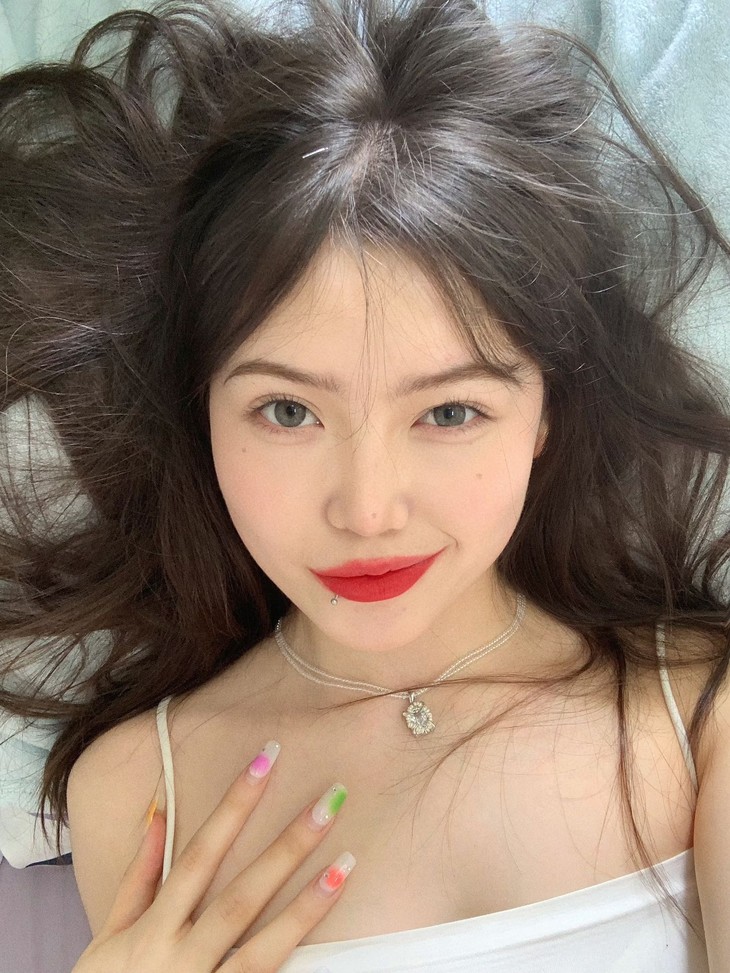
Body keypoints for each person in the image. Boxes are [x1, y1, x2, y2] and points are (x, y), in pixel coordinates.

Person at [1, 0, 729, 970]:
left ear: (548, 412)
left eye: (449, 412)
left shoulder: (700, 715)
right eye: (288, 411)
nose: (367, 509)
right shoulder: (137, 792)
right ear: (199, 407)